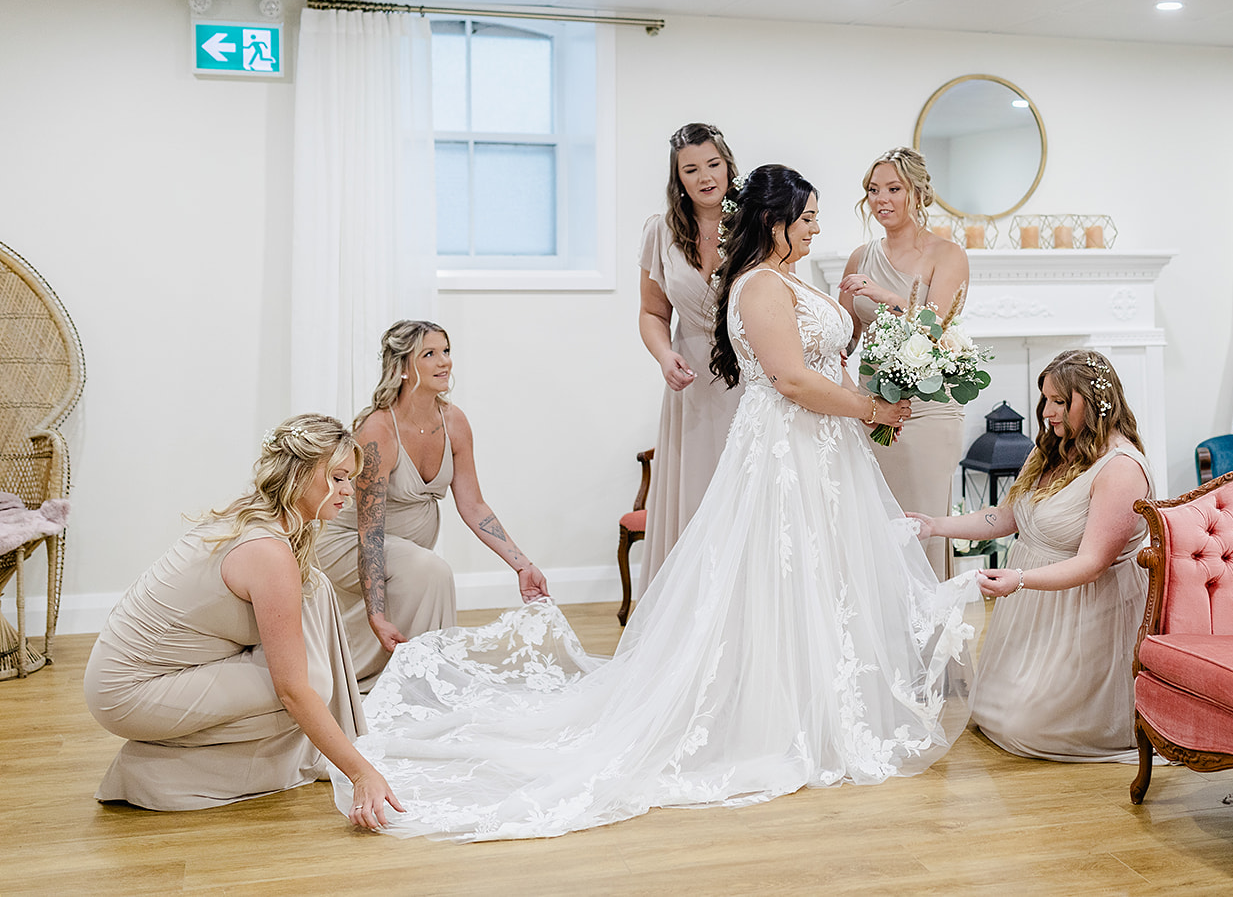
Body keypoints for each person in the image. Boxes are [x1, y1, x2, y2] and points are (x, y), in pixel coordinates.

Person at [333, 165, 983, 841]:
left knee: (824, 577)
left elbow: (823, 361)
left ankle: (826, 704)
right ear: (776, 221)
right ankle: (776, 715)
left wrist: (872, 388)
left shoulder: (794, 278)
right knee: (780, 573)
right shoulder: (761, 284)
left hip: (824, 451)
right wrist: (869, 407)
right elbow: (790, 379)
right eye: (809, 217)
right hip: (787, 451)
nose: (819, 227)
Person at [84, 414, 402, 827]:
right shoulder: (267, 552)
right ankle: (159, 770)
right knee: (311, 683)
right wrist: (361, 773)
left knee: (315, 589)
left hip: (135, 674)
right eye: (338, 477)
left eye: (350, 479)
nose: (348, 490)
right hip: (126, 693)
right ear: (300, 473)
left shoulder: (259, 517)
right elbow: (293, 690)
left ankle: (321, 744)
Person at [911, 349, 1152, 762]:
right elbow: (1005, 516)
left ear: (1094, 402)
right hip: (1037, 608)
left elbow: (1092, 564)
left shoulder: (1121, 469)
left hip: (1089, 611)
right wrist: (935, 525)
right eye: (1045, 399)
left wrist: (1019, 579)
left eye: (1060, 401)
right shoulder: (1053, 449)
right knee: (988, 713)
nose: (1047, 412)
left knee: (1026, 729)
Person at [315, 320, 548, 690]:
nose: (444, 362)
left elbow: (474, 505)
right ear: (403, 369)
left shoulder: (454, 421)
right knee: (432, 571)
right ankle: (423, 680)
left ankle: (422, 676)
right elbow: (370, 535)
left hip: (406, 550)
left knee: (425, 569)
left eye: (446, 351)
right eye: (429, 354)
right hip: (348, 544)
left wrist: (523, 565)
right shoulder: (379, 430)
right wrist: (376, 615)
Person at [838, 147, 970, 579]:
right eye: (874, 190)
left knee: (919, 529)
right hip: (871, 406)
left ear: (917, 192)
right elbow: (847, 334)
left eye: (894, 189)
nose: (882, 199)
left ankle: (930, 622)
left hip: (926, 410)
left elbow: (934, 329)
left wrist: (884, 296)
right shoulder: (860, 257)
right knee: (873, 531)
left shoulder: (948, 255)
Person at [635, 122, 745, 597]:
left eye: (713, 164)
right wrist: (665, 356)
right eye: (691, 169)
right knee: (696, 493)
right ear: (677, 177)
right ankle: (689, 611)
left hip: (748, 375)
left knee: (742, 494)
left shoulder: (757, 222)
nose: (705, 177)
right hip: (691, 380)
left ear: (728, 166)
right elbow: (652, 312)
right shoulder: (660, 231)